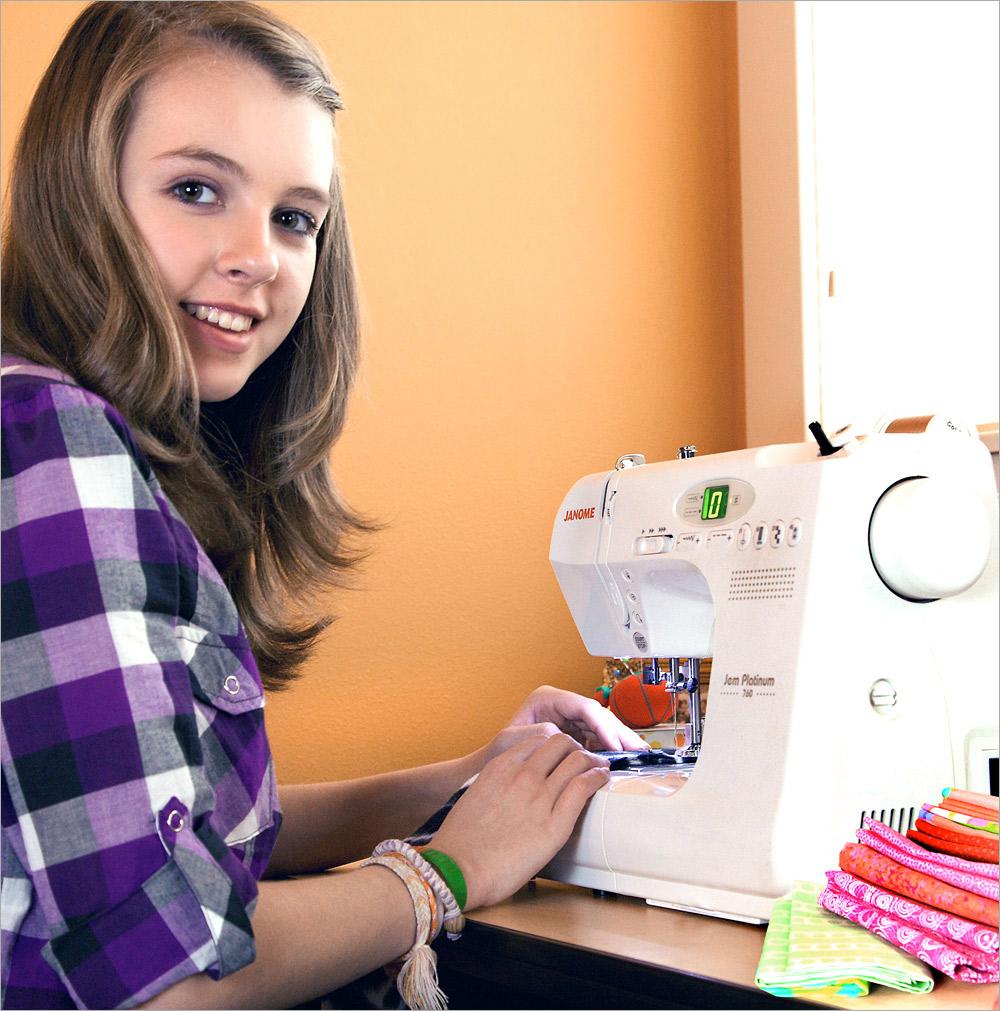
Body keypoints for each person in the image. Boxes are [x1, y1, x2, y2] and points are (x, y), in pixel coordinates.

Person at [0, 4, 647, 1008]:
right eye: (196, 189)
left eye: (295, 217)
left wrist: (463, 783)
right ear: (78, 194)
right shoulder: (47, 440)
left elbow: (171, 839)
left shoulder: (72, 443)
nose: (258, 254)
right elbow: (169, 981)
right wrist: (445, 876)